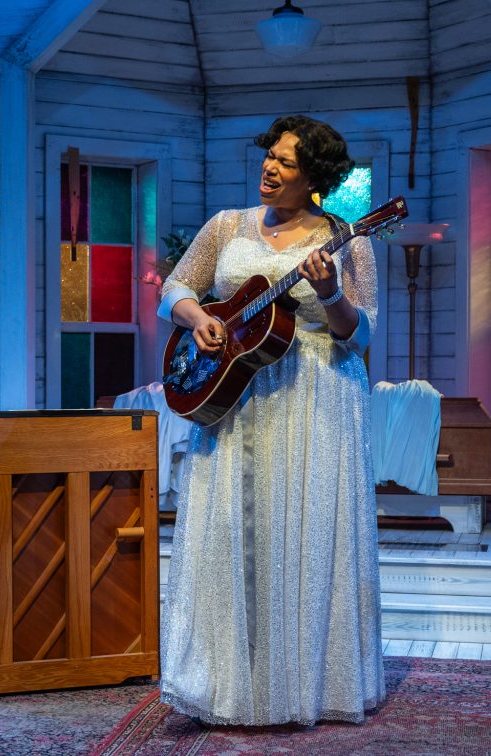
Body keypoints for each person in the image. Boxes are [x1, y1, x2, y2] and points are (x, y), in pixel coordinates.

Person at [158, 115, 384, 726]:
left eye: (286, 161)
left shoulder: (348, 237)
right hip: (233, 398)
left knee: (306, 533)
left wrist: (333, 292)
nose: (270, 167)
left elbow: (358, 334)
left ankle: (310, 682)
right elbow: (174, 287)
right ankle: (226, 682)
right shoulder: (227, 225)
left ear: (315, 177)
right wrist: (193, 318)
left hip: (315, 399)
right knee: (235, 532)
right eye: (269, 156)